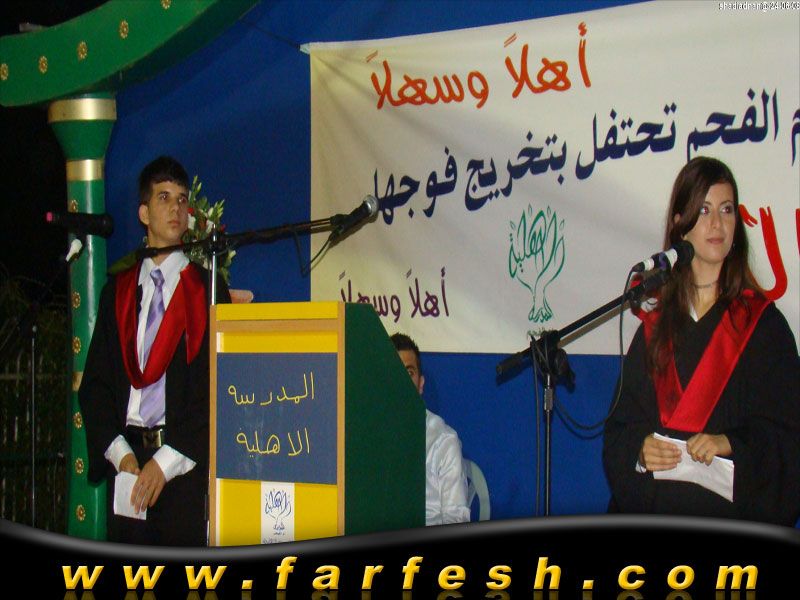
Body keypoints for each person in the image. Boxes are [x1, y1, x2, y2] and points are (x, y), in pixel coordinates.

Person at [602, 156, 800, 526]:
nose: (717, 223)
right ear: (681, 223)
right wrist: (640, 452)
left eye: (727, 210)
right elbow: (621, 428)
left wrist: (731, 443)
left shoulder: (764, 328)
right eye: (704, 210)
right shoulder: (655, 328)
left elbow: (787, 438)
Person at [79, 156, 229, 545]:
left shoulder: (208, 291)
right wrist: (121, 454)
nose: (176, 208)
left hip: (181, 469)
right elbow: (95, 386)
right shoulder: (118, 292)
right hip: (127, 467)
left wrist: (163, 464)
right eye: (164, 197)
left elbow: (216, 390)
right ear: (144, 213)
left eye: (182, 199)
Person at [390, 332, 471, 525]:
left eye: (409, 373)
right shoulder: (367, 435)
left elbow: (456, 518)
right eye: (394, 371)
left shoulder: (444, 441)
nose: (402, 381)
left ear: (421, 384)